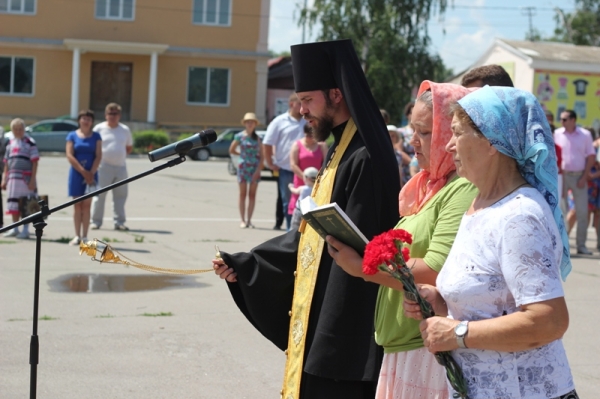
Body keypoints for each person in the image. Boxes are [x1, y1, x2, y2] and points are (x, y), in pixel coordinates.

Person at [212, 39, 400, 399]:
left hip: (345, 342)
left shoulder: (365, 157)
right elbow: (313, 235)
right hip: (323, 325)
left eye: (307, 100)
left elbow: (357, 253)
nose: (300, 111)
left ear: (335, 94)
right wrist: (251, 265)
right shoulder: (340, 148)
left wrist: (330, 343)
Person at [405, 86, 577, 399]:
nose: (449, 144)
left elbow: (549, 320)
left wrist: (457, 333)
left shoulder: (519, 215)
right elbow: (494, 300)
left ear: (491, 142)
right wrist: (443, 302)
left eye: (458, 133)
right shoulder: (482, 205)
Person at [326, 81, 477, 399]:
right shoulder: (426, 185)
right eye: (413, 131)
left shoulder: (462, 188)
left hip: (427, 346)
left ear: (452, 135)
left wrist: (361, 267)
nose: (413, 143)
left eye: (424, 133)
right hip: (406, 340)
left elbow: (436, 270)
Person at [554, 109, 595, 254]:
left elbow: (591, 156)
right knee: (561, 211)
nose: (562, 122)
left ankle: (581, 246)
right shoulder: (557, 134)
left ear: (573, 120)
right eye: (561, 119)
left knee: (582, 212)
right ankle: (562, 246)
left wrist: (585, 177)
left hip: (580, 176)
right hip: (562, 176)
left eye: (564, 119)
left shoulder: (585, 135)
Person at [263, 93, 306, 231]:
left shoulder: (308, 120)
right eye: (300, 103)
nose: (303, 107)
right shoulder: (279, 121)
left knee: (307, 202)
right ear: (291, 104)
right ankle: (290, 231)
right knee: (288, 201)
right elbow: (267, 143)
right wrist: (270, 162)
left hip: (307, 170)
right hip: (287, 169)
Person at [90, 103, 133, 231]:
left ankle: (119, 222)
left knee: (120, 196)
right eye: (110, 113)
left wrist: (118, 156)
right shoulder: (99, 128)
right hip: (103, 167)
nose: (112, 116)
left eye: (115, 114)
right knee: (99, 196)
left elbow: (129, 147)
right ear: (105, 115)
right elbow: (93, 146)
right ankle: (96, 222)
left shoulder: (124, 129)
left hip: (120, 168)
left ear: (119, 115)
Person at [65, 110, 102, 245]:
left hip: (92, 174)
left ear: (92, 122)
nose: (86, 121)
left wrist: (91, 172)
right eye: (83, 118)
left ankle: (85, 236)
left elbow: (98, 155)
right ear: (79, 120)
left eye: (88, 119)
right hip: (76, 174)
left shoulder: (96, 136)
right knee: (77, 206)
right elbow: (69, 155)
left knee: (87, 206)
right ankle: (77, 236)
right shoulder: (72, 135)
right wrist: (82, 171)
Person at [1, 118, 39, 239]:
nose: (18, 131)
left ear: (24, 129)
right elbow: (6, 163)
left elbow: (35, 162)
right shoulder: (10, 143)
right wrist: (4, 179)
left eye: (20, 129)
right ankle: (15, 228)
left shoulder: (30, 142)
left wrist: (32, 179)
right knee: (14, 204)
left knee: (25, 204)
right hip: (13, 179)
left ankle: (26, 229)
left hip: (25, 179)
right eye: (15, 129)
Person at [229, 112, 264, 228]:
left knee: (252, 195)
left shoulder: (258, 138)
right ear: (244, 123)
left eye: (252, 122)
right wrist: (242, 155)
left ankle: (249, 220)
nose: (250, 124)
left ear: (255, 124)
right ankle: (242, 220)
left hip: (254, 168)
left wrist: (258, 170)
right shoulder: (240, 136)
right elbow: (232, 149)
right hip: (243, 167)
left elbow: (262, 156)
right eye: (248, 122)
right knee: (242, 194)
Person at [288, 123, 327, 221]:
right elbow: (293, 164)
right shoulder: (297, 145)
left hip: (316, 182)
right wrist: (306, 178)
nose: (310, 138)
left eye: (312, 136)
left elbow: (327, 163)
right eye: (307, 135)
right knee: (296, 212)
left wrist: (315, 180)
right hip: (301, 181)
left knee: (313, 211)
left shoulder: (321, 145)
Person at [288, 166, 318, 231]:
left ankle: (292, 236)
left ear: (307, 178)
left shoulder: (303, 188)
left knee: (294, 225)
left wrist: (290, 187)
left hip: (299, 210)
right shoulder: (316, 189)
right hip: (309, 212)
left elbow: (295, 191)